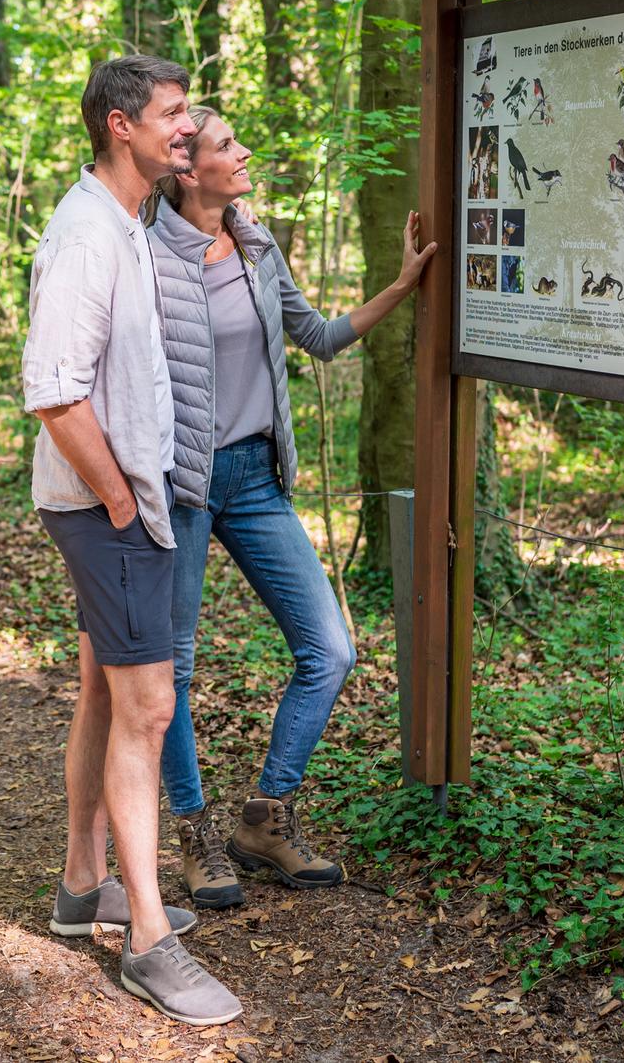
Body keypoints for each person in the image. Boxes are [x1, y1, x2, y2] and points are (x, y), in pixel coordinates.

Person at [144, 105, 436, 910]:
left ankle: (266, 818)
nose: (244, 153)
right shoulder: (148, 255)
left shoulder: (257, 242)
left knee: (331, 648)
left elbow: (314, 334)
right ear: (183, 168)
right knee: (174, 667)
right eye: (226, 145)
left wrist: (402, 286)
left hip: (257, 478)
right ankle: (195, 832)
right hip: (182, 485)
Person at [22, 56, 242, 1027]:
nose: (186, 126)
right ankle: (147, 939)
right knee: (147, 709)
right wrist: (118, 501)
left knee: (107, 700)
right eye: (170, 112)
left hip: (123, 504)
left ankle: (84, 888)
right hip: (109, 512)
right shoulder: (83, 236)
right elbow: (54, 389)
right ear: (120, 126)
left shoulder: (128, 223)